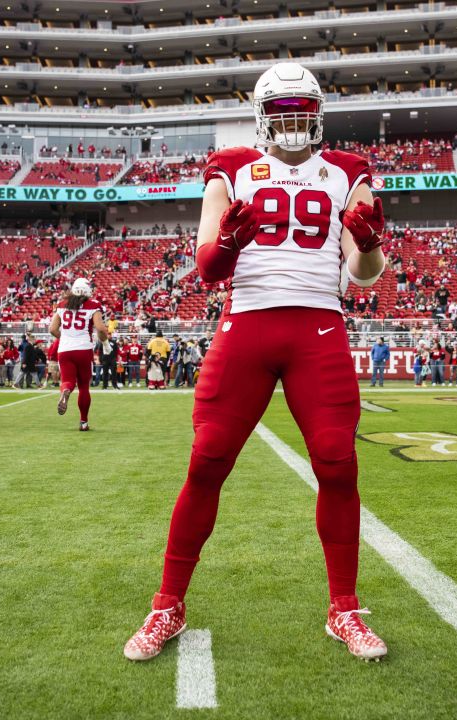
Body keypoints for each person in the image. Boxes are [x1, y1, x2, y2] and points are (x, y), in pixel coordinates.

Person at [124, 61, 389, 663]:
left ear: (318, 115)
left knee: (337, 462)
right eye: (283, 114)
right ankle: (169, 603)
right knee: (207, 460)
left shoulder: (348, 171)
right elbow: (208, 269)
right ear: (263, 117)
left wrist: (369, 243)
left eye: (303, 114)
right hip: (246, 322)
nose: (294, 125)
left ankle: (344, 608)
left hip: (318, 324)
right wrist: (231, 242)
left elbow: (363, 274)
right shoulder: (233, 167)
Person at [50, 278, 108, 431]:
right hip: (83, 348)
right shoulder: (93, 305)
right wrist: (106, 344)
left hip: (65, 349)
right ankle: (83, 422)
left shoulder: (62, 305)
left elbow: (52, 329)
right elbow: (101, 329)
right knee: (83, 387)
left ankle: (66, 391)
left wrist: (66, 339)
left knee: (68, 381)